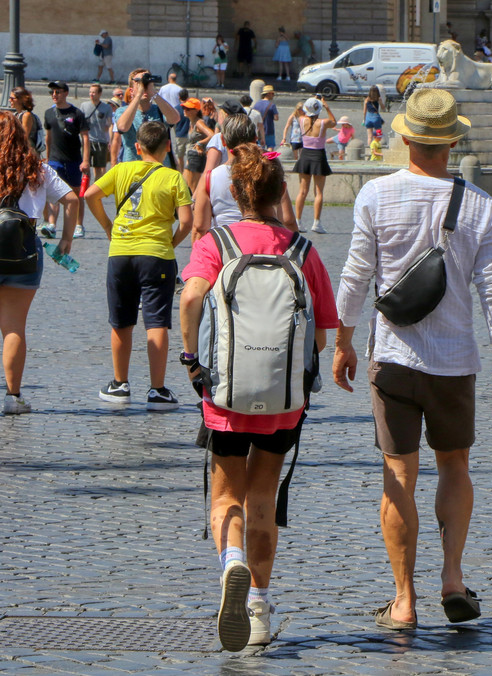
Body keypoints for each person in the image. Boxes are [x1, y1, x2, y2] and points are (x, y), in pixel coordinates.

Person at [333, 88, 492, 633]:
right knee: (454, 467)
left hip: (392, 358)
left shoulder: (374, 196)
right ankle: (453, 579)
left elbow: (354, 277)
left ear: (406, 137)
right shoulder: (481, 206)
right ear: (453, 141)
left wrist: (342, 342)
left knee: (398, 474)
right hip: (455, 359)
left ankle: (403, 599)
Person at [178, 144, 335, 650]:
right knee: (264, 495)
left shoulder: (216, 244)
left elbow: (189, 298)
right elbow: (322, 333)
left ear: (236, 191)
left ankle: (232, 563)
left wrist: (190, 359)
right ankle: (261, 609)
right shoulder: (303, 251)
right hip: (284, 397)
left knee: (226, 492)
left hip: (225, 391)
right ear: (278, 192)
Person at [83, 120, 193, 410]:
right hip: (157, 254)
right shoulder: (173, 178)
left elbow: (90, 195)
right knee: (156, 321)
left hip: (120, 252)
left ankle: (120, 384)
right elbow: (187, 222)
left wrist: (108, 226)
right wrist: (171, 241)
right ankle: (157, 390)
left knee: (121, 321)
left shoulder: (120, 170)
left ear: (137, 147)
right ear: (167, 147)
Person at [0, 112, 79, 415]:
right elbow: (71, 200)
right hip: (24, 251)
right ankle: (13, 397)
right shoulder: (38, 169)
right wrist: (66, 240)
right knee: (14, 327)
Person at [193, 114, 296, 239]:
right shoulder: (267, 170)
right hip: (264, 243)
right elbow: (288, 220)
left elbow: (200, 227)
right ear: (255, 139)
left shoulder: (210, 178)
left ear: (223, 140)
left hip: (224, 245)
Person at [40, 81, 90, 241]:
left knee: (77, 194)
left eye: (58, 92)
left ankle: (79, 225)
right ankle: (52, 225)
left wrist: (86, 160)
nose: (54, 95)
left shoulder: (76, 113)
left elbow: (85, 137)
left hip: (74, 159)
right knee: (54, 192)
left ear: (66, 93)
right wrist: (47, 158)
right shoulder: (48, 113)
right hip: (55, 160)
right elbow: (48, 137)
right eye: (52, 92)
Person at [115, 69, 182, 166]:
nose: (144, 87)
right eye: (139, 83)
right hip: (134, 170)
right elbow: (122, 127)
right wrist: (138, 95)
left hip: (159, 171)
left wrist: (154, 93)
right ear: (131, 90)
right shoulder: (122, 111)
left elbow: (175, 119)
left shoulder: (160, 109)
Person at [293, 97, 335, 233]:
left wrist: (310, 105)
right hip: (318, 156)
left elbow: (298, 112)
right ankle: (316, 222)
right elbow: (334, 122)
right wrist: (327, 107)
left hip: (305, 155)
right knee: (318, 192)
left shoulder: (301, 120)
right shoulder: (322, 122)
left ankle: (298, 221)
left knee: (302, 191)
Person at [81, 84, 114, 185]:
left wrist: (110, 140)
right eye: (90, 92)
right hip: (87, 140)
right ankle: (85, 188)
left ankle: (96, 188)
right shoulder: (84, 106)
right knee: (85, 167)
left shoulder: (106, 107)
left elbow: (110, 124)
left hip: (101, 141)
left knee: (99, 167)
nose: (91, 94)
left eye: (94, 92)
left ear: (99, 94)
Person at [180, 98, 215, 192]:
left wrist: (200, 143)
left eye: (188, 109)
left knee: (191, 188)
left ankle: (194, 206)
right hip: (191, 156)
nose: (185, 111)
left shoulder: (199, 122)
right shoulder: (192, 122)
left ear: (196, 111)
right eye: (184, 108)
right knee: (184, 185)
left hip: (196, 156)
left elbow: (212, 135)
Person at [10, 87, 39, 154]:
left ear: (21, 100)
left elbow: (23, 137)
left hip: (27, 153)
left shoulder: (26, 115)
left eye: (12, 98)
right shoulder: (16, 115)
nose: (9, 100)